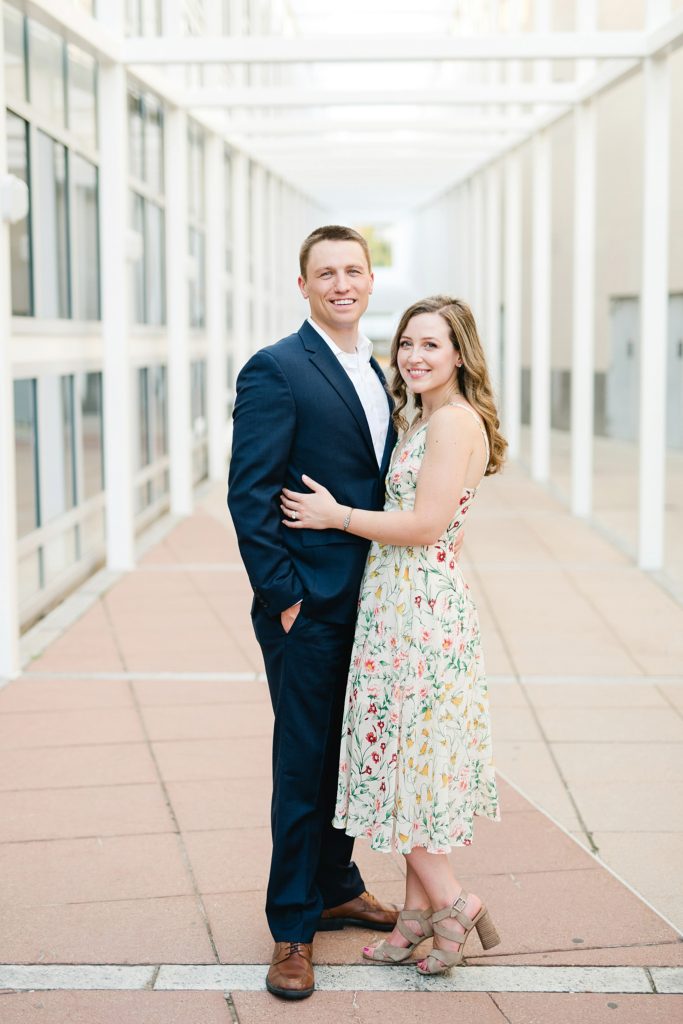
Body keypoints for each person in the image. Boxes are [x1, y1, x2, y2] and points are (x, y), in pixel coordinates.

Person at [279, 295, 507, 975]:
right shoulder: (426, 418)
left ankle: (455, 904)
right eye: (406, 342)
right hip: (401, 604)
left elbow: (427, 524)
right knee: (411, 764)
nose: (413, 356)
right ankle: (414, 922)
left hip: (418, 614)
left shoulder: (452, 422)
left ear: (459, 354)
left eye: (431, 344)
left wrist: (336, 515)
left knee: (403, 762)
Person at [228, 225, 406, 1000]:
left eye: (353, 270)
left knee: (351, 755)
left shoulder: (376, 369)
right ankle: (292, 929)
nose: (341, 283)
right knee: (304, 765)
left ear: (370, 280)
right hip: (309, 604)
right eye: (325, 272)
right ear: (302, 285)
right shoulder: (276, 368)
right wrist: (285, 597)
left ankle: (336, 886)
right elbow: (249, 492)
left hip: (370, 601)